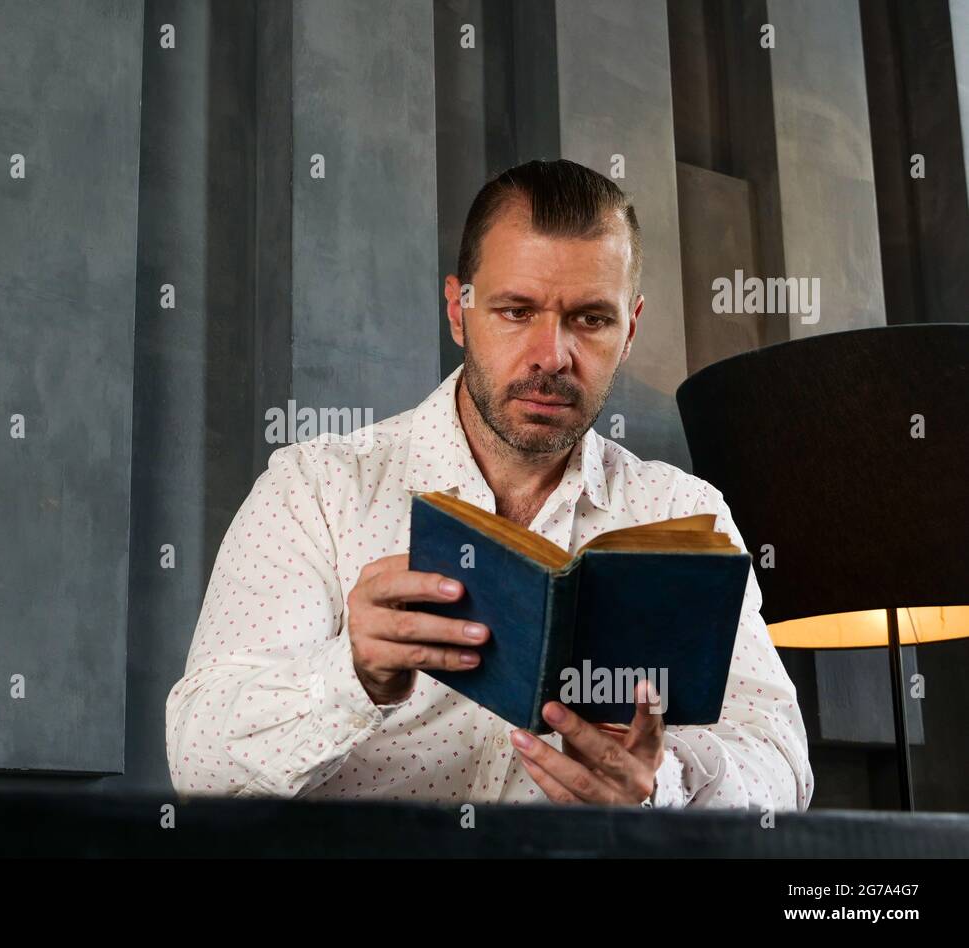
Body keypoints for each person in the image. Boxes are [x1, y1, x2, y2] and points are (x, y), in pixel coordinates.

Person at [166, 158, 813, 809]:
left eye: (591, 319)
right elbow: (198, 761)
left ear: (631, 330)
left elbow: (781, 768)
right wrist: (350, 676)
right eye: (515, 310)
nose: (551, 355)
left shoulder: (683, 509)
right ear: (458, 310)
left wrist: (660, 783)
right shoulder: (316, 489)